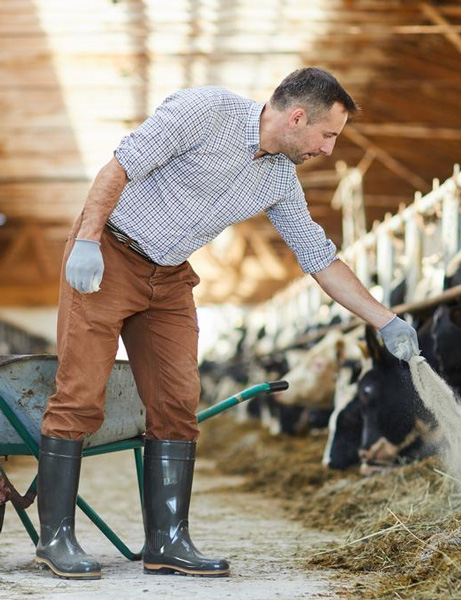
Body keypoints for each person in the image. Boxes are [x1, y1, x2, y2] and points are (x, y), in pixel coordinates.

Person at [35, 67, 419, 580]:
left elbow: (319, 258)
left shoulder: (279, 179)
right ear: (298, 117)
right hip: (107, 252)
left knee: (177, 402)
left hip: (168, 276)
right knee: (81, 394)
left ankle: (167, 541)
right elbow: (118, 169)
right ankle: (55, 538)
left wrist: (385, 319)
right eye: (328, 136)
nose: (328, 150)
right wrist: (86, 239)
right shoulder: (206, 111)